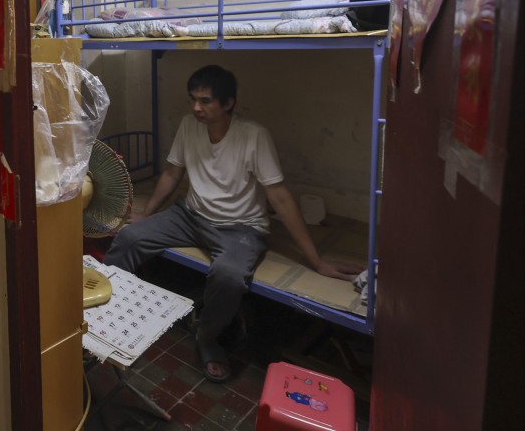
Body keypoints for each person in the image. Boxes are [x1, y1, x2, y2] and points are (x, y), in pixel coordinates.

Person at [104, 64, 362, 383]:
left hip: (240, 227)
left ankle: (207, 337)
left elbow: (279, 197)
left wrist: (316, 260)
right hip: (190, 214)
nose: (196, 107)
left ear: (228, 103)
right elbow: (172, 172)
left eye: (206, 101)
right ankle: (110, 311)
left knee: (228, 276)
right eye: (192, 99)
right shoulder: (188, 125)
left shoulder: (253, 136)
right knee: (128, 237)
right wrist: (149, 213)